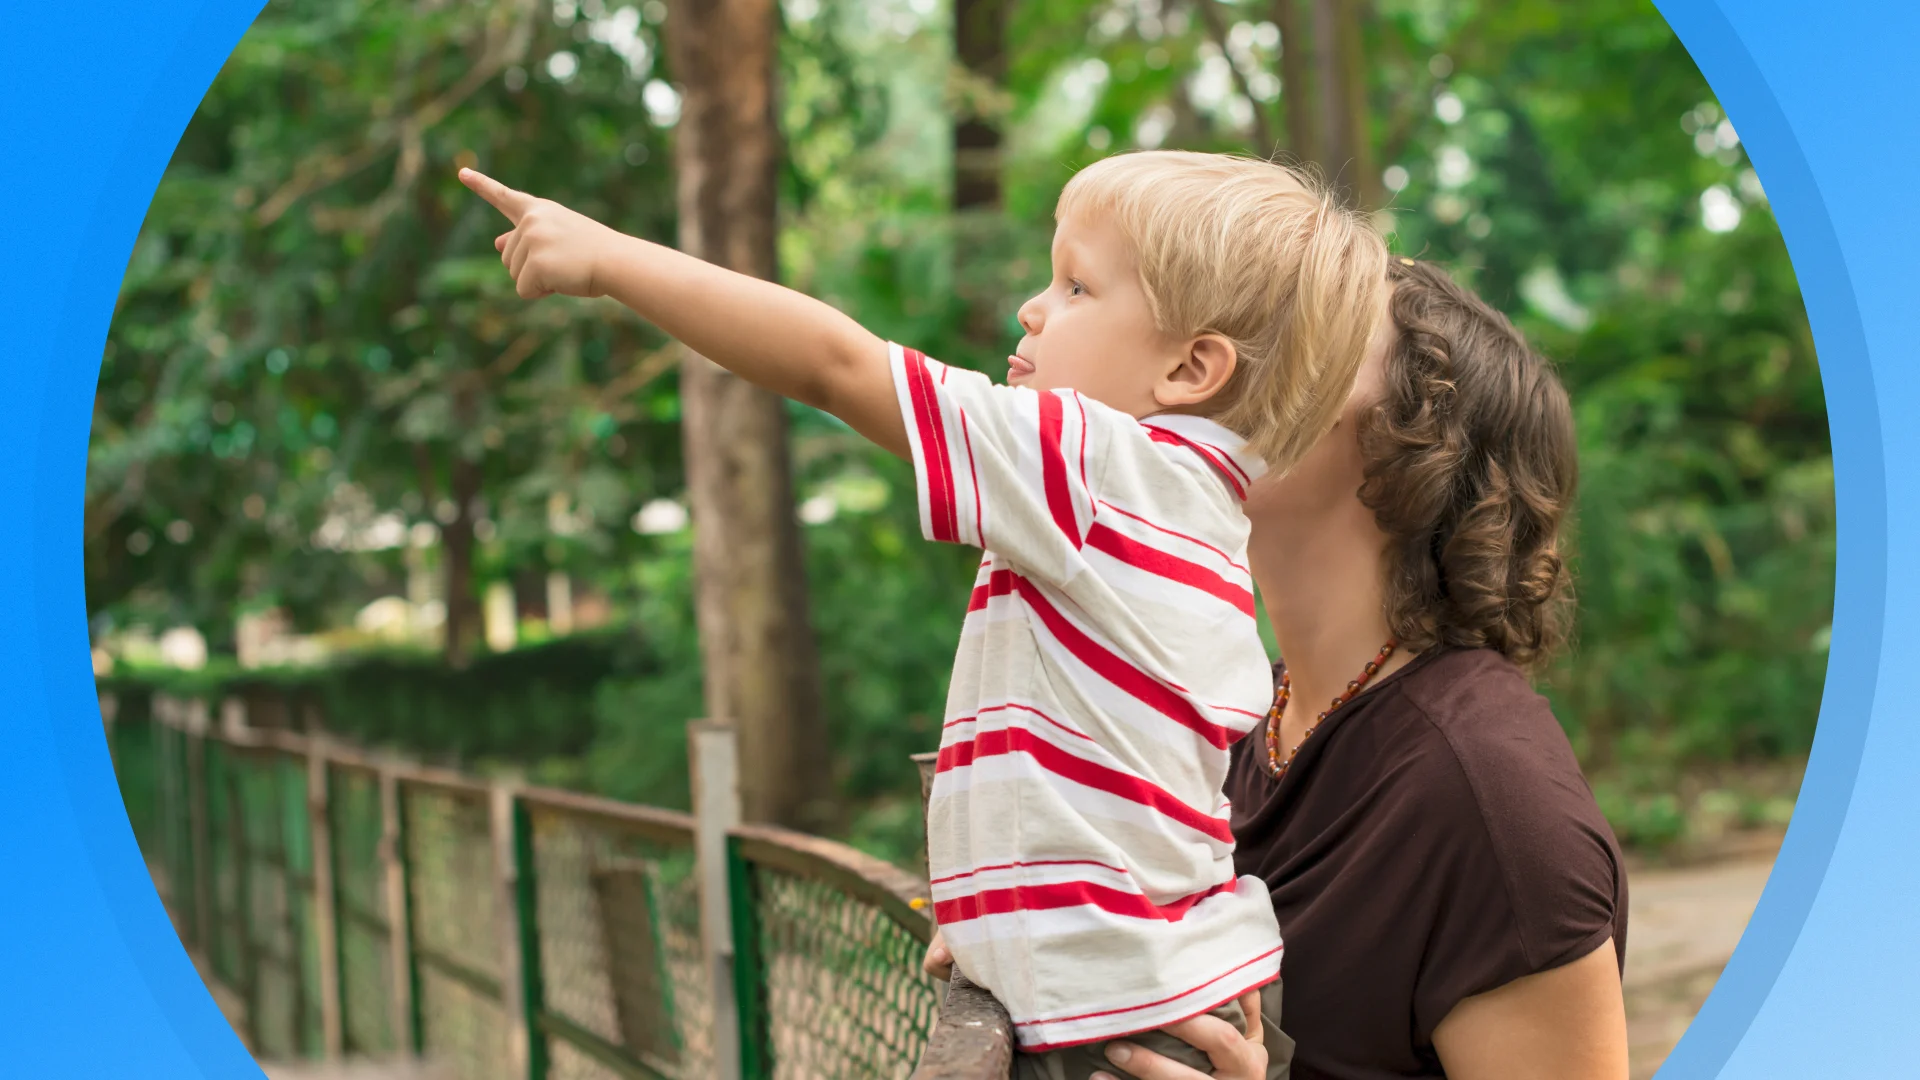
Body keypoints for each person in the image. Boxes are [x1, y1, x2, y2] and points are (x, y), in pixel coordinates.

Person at [459, 151, 1389, 1079]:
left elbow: (833, 366)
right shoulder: (1204, 517)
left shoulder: (1097, 466)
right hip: (1160, 997)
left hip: (1105, 1035)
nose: (1033, 307)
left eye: (1075, 286)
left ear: (1191, 368)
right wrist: (1007, 925)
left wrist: (610, 259)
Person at [927, 257, 1631, 1080]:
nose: (1214, 346)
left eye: (1302, 328)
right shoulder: (1227, 710)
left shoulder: (1494, 801)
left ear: (1409, 444)